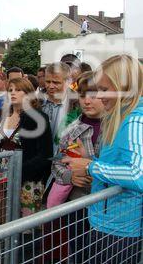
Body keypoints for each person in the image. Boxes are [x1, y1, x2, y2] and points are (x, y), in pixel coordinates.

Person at [63, 55, 142, 264]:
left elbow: (137, 174)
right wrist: (88, 161)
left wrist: (91, 167)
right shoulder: (122, 117)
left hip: (120, 227)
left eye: (104, 90)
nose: (98, 95)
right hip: (109, 222)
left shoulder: (134, 120)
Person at [45, 71, 104, 263]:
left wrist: (93, 168)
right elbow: (57, 164)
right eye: (82, 95)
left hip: (108, 206)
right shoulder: (71, 129)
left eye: (94, 95)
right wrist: (70, 176)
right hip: (77, 203)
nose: (87, 101)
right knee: (78, 251)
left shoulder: (117, 128)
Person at [0, 78, 53, 218]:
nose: (13, 93)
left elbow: (45, 153)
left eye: (18, 90)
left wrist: (19, 171)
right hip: (2, 176)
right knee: (3, 218)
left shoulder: (38, 117)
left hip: (27, 179)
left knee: (25, 224)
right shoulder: (3, 115)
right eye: (10, 90)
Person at [42, 62, 79, 155]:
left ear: (68, 81)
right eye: (47, 81)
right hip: (40, 162)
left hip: (66, 161)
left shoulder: (78, 103)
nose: (50, 86)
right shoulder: (36, 102)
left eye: (56, 82)